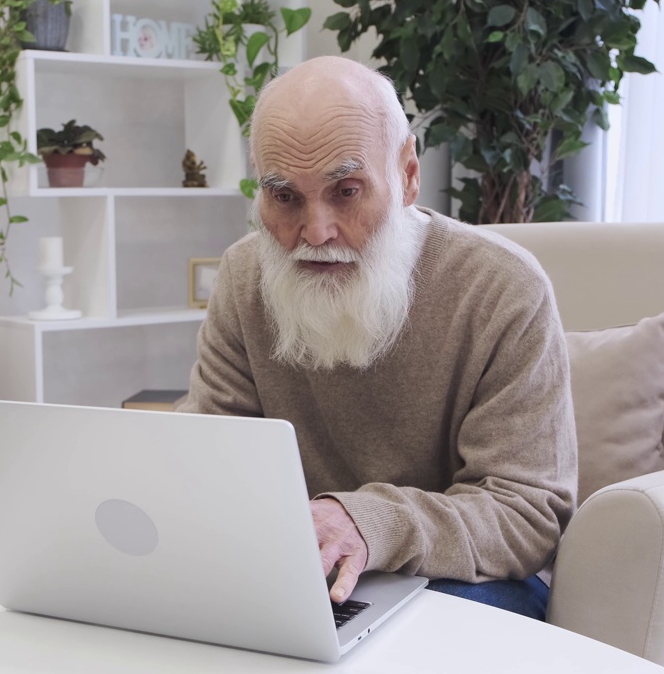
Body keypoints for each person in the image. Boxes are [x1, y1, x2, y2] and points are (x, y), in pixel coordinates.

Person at [177, 56, 578, 621]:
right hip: (300, 573)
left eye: (346, 190)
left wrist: (369, 522)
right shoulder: (246, 276)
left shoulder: (503, 287)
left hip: (459, 578)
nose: (314, 233)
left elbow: (527, 516)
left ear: (407, 174)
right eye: (285, 196)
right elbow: (214, 456)